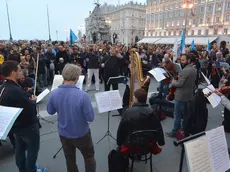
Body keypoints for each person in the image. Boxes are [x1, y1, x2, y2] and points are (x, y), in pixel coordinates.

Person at [47, 64, 96, 172]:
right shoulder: (82, 95)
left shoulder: (53, 94)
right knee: (89, 157)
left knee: (70, 159)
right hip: (81, 133)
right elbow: (90, 118)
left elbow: (50, 111)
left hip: (64, 133)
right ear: (77, 78)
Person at [0, 60, 45, 172]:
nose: (22, 72)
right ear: (13, 72)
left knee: (19, 150)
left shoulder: (4, 87)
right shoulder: (15, 90)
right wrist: (33, 101)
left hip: (16, 126)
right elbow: (29, 109)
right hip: (27, 126)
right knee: (32, 150)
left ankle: (22, 169)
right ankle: (31, 170)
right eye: (19, 70)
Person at [165, 54, 197, 137]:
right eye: (181, 60)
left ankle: (175, 131)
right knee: (186, 114)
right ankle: (183, 129)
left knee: (177, 114)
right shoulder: (193, 69)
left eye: (183, 60)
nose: (181, 62)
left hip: (181, 96)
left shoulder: (185, 70)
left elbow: (179, 84)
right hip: (189, 95)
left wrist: (173, 82)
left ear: (189, 60)